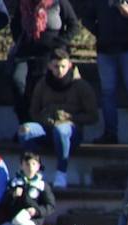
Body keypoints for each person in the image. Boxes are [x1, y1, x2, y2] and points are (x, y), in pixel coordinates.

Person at [19, 48, 99, 189]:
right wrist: (45, 119)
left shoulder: (81, 86)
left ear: (69, 65)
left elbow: (93, 116)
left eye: (63, 66)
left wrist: (71, 117)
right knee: (25, 130)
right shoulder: (43, 84)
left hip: (70, 131)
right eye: (56, 66)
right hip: (46, 128)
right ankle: (34, 169)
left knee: (61, 130)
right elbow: (33, 111)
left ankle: (61, 173)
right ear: (49, 66)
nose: (60, 70)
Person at [81, 0, 128, 145]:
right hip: (105, 50)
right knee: (108, 93)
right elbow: (86, 18)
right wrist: (100, 31)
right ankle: (110, 134)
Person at [8, 0, 78, 125]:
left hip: (50, 52)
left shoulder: (59, 3)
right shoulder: (24, 3)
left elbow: (73, 25)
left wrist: (59, 43)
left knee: (41, 84)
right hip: (26, 51)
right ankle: (25, 123)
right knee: (17, 80)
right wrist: (21, 40)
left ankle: (42, 125)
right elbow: (15, 24)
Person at [0, 151, 55, 225]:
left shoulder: (42, 185)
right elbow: (6, 204)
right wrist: (12, 195)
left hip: (33, 220)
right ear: (21, 166)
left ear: (38, 166)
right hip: (15, 219)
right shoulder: (14, 183)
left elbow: (50, 206)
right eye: (27, 164)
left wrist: (36, 211)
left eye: (33, 164)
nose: (30, 167)